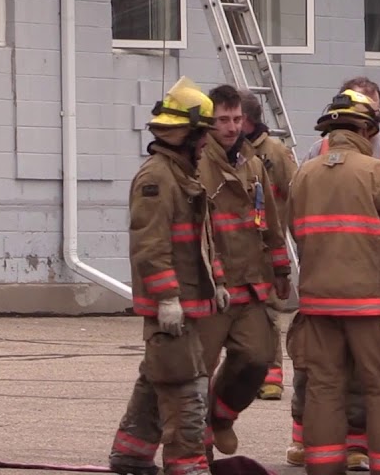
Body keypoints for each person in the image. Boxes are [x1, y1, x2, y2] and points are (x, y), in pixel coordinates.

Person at [285, 89, 380, 475]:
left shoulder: (303, 175)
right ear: (366, 130)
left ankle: (323, 467)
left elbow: (294, 228)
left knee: (323, 388)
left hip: (318, 304)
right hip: (373, 304)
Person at [109, 77, 226, 475]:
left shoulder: (182, 175)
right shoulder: (157, 179)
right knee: (184, 387)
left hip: (188, 300)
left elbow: (201, 237)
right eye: (203, 134)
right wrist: (166, 298)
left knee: (157, 377)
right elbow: (150, 244)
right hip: (173, 305)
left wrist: (217, 281)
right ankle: (187, 465)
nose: (208, 142)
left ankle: (131, 455)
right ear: (187, 136)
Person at [195, 84, 289, 455]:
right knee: (198, 370)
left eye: (236, 119)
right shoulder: (197, 164)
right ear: (208, 123)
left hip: (250, 283)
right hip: (210, 287)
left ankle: (221, 416)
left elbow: (270, 221)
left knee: (257, 359)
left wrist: (281, 268)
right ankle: (196, 448)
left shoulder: (252, 163)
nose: (232, 127)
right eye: (223, 120)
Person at [239, 91, 299, 402]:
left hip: (265, 248)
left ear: (247, 120)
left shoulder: (275, 154)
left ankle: (272, 376)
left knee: (269, 312)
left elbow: (296, 196)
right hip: (234, 249)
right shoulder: (225, 152)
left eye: (235, 118)